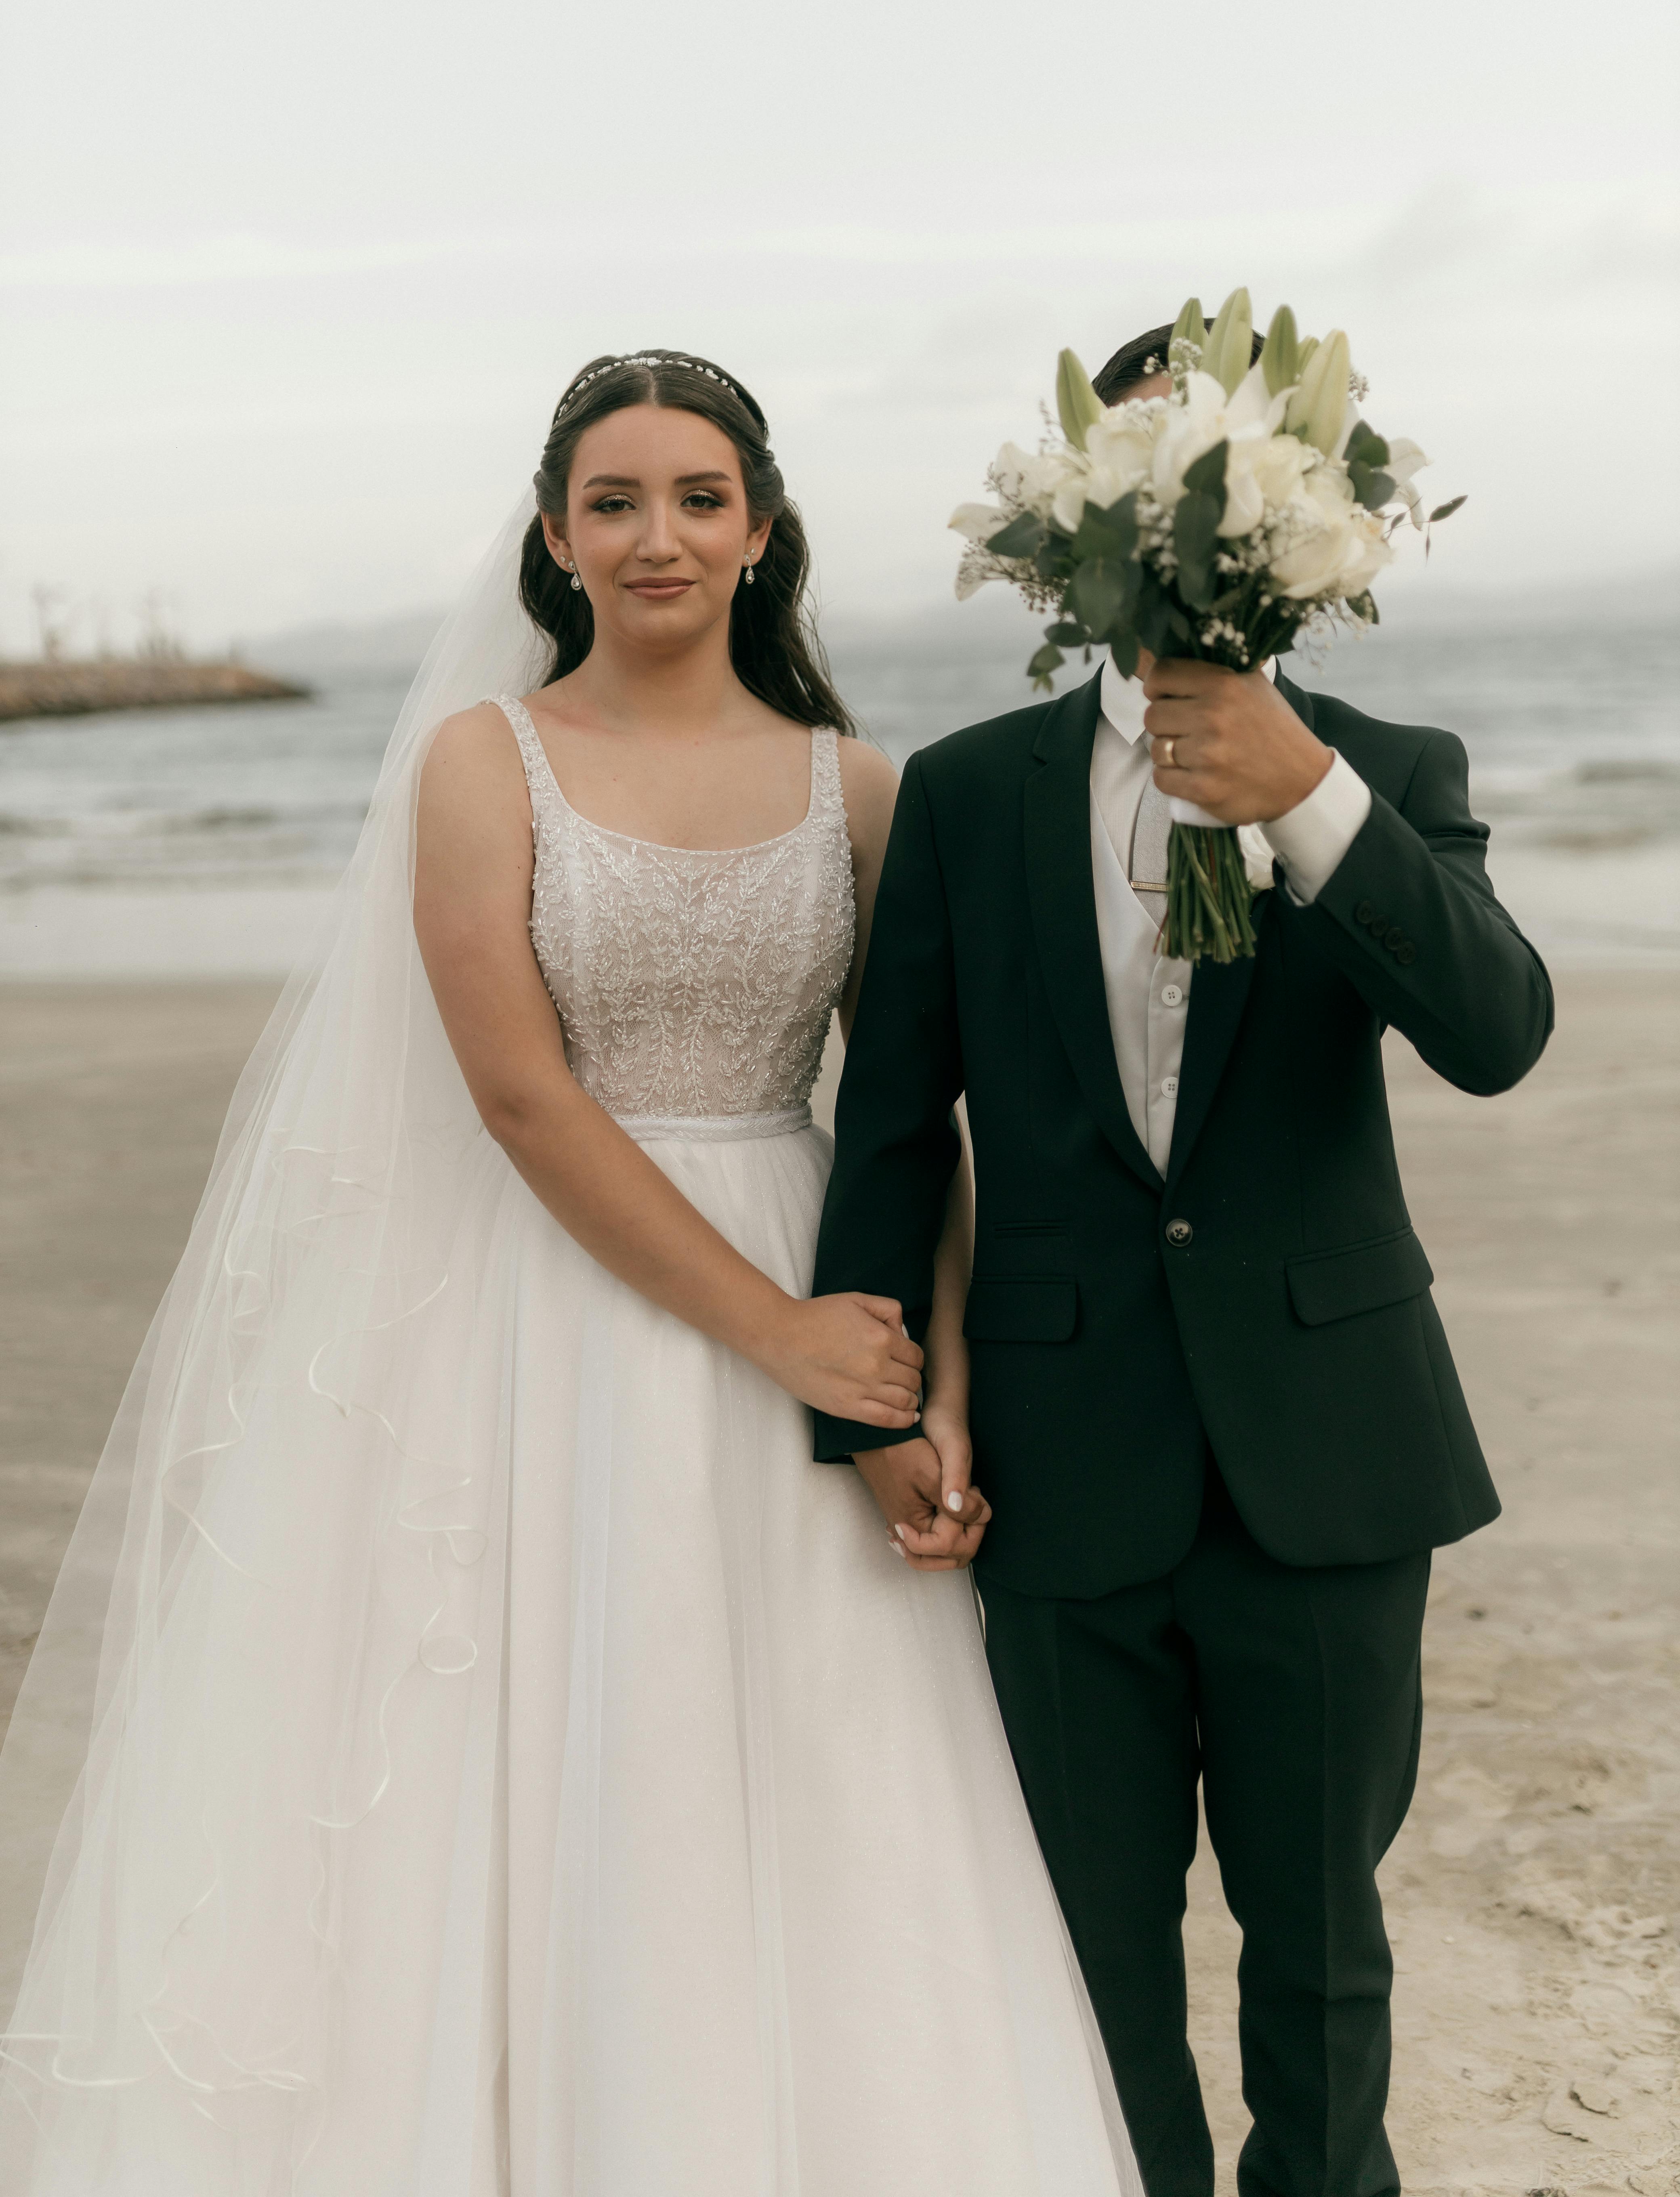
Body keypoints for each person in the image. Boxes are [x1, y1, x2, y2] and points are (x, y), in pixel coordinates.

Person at [0, 350, 1139, 2195]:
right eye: (613, 501)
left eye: (698, 498)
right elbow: (522, 1100)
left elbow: (904, 1119)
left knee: (830, 1765)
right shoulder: (487, 761)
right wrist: (771, 1330)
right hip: (542, 1306)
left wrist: (923, 1384)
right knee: (533, 1753)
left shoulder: (857, 785)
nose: (658, 535)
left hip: (804, 1274)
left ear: (761, 532)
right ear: (553, 538)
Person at [812, 319, 1555, 2197]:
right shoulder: (968, 797)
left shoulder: (1385, 766)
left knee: (1318, 1955)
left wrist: (1302, 793)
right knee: (1088, 1962)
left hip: (1329, 1453)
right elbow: (897, 1119)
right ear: (1075, 533)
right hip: (1060, 1464)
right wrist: (879, 1407)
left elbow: (1496, 1031)